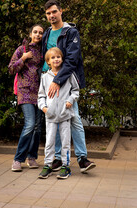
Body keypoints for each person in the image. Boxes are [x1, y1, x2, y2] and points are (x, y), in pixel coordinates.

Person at [42, 0, 96, 173]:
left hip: (66, 81)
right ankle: (58, 158)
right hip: (50, 81)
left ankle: (82, 158)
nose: (52, 15)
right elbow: (45, 58)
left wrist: (59, 81)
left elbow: (72, 59)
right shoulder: (47, 33)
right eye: (48, 13)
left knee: (74, 119)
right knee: (55, 121)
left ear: (61, 11)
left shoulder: (70, 32)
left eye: (54, 12)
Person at [38, 47, 79, 179]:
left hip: (65, 115)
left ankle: (65, 166)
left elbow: (75, 91)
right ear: (48, 62)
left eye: (58, 57)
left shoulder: (68, 74)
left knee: (65, 142)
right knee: (49, 142)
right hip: (50, 116)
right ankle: (47, 165)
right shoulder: (45, 77)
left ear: (62, 59)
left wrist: (70, 100)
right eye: (53, 58)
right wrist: (44, 108)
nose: (56, 59)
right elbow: (41, 96)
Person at [8, 24, 44, 172]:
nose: (38, 34)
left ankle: (32, 157)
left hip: (40, 93)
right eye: (35, 32)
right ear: (30, 34)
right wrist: (23, 58)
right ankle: (18, 159)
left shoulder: (43, 51)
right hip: (25, 92)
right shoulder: (22, 50)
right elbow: (11, 69)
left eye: (41, 33)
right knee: (30, 124)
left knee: (37, 128)